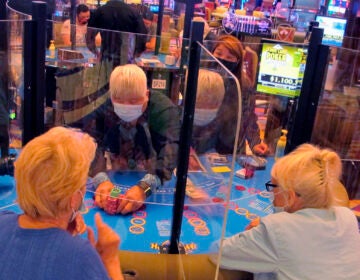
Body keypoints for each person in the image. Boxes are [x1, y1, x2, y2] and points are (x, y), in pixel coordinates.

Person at [211, 143, 360, 280]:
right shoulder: (347, 216)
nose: (271, 195)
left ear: (290, 196)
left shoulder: (276, 229)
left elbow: (216, 252)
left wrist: (261, 230)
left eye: (273, 187)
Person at [0, 127, 123, 280]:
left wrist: (62, 225)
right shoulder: (81, 255)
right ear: (73, 198)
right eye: (83, 182)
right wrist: (110, 261)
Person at [87, 64, 180, 215]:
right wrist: (100, 179)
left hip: (152, 166)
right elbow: (89, 142)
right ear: (111, 97)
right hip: (116, 166)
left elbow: (170, 152)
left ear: (147, 95)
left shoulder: (164, 110)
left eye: (134, 100)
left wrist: (145, 188)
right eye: (119, 100)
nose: (126, 105)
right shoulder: (103, 106)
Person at [211, 34, 268, 155]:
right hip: (201, 148)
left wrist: (255, 143)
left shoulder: (243, 85)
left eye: (230, 57)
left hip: (232, 150)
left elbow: (249, 119)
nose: (223, 59)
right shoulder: (201, 77)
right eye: (219, 54)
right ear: (211, 52)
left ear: (237, 61)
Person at [86, 0, 148, 67]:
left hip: (106, 59)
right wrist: (136, 54)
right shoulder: (133, 12)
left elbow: (89, 36)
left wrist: (96, 52)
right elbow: (142, 36)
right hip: (126, 59)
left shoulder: (99, 11)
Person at [191, 68, 225, 154]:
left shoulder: (222, 126)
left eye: (213, 102)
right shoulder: (174, 123)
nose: (206, 107)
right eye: (200, 101)